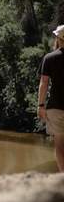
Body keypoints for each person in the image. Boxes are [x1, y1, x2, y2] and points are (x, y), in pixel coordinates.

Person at [38, 24, 64, 171]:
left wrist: (40, 105)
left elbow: (44, 83)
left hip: (56, 108)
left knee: (60, 145)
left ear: (58, 38)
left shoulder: (50, 58)